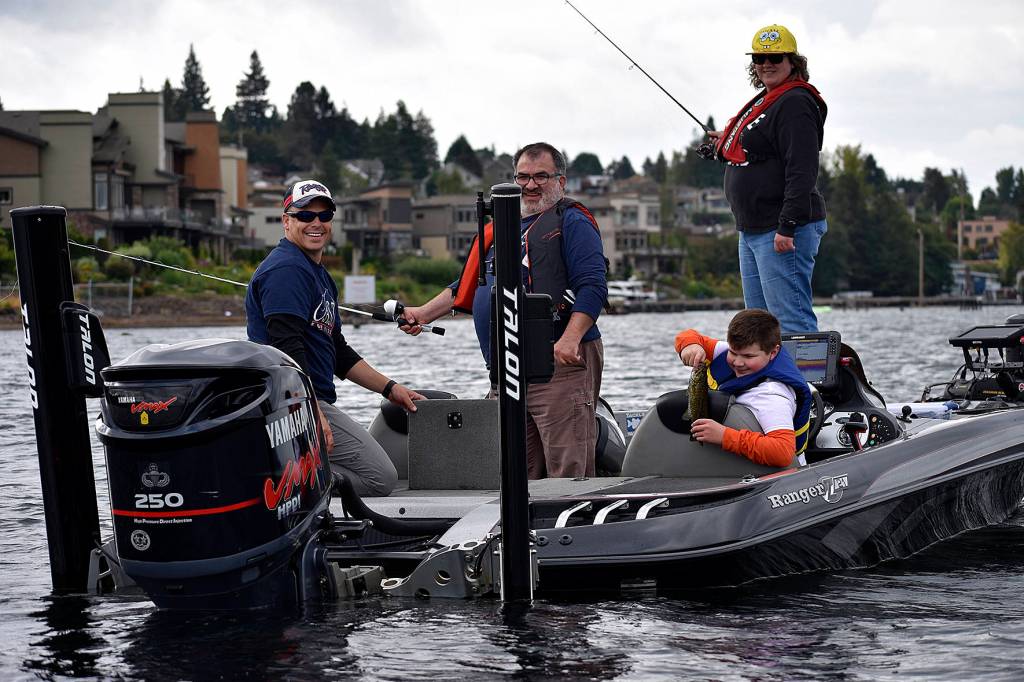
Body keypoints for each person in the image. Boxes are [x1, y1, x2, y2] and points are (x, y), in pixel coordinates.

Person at [400, 142, 608, 479]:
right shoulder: (503, 227)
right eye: (522, 177)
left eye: (541, 176)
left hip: (559, 363)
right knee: (514, 468)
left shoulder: (572, 221)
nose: (530, 185)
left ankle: (567, 512)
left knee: (566, 465)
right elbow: (466, 285)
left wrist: (570, 339)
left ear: (561, 181)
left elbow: (593, 286)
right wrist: (423, 313)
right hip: (506, 368)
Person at [245, 179, 424, 496]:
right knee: (380, 478)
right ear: (286, 221)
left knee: (379, 473)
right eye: (305, 215)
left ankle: (286, 471)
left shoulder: (318, 274)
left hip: (309, 400)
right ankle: (270, 479)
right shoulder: (286, 270)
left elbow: (337, 352)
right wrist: (311, 413)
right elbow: (286, 349)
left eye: (324, 215)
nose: (316, 223)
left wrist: (390, 388)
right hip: (291, 403)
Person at [708, 24, 828, 333]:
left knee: (790, 323)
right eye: (759, 58)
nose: (766, 64)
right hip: (752, 228)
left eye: (775, 57)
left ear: (793, 62)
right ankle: (775, 370)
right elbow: (763, 148)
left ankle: (806, 368)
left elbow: (802, 168)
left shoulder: (796, 102)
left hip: (781, 230)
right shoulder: (770, 100)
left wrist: (787, 226)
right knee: (759, 327)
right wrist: (728, 142)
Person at [674, 309, 812, 467]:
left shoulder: (772, 396)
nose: (738, 362)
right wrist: (690, 346)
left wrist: (724, 436)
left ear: (773, 352)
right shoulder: (739, 349)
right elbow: (688, 335)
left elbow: (783, 454)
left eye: (748, 356)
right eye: (733, 353)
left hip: (773, 474)